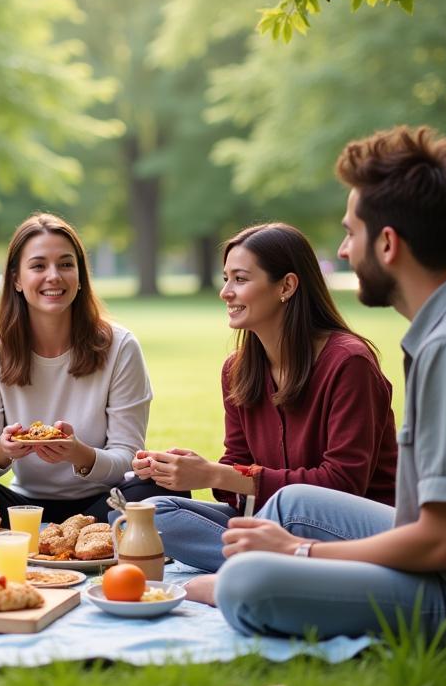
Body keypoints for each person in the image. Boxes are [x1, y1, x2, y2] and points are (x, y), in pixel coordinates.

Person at [198, 126, 446, 644]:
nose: (343, 249)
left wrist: (298, 553)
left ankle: (245, 578)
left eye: (351, 233)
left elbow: (443, 544)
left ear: (388, 243)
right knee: (293, 504)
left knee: (246, 581)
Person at [137, 223, 398, 572]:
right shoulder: (238, 370)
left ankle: (277, 568)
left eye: (240, 279)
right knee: (153, 515)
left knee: (295, 501)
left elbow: (343, 484)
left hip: (350, 531)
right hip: (273, 521)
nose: (225, 292)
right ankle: (277, 566)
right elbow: (238, 471)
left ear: (286, 286)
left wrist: (218, 476)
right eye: (226, 278)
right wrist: (194, 470)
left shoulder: (348, 363)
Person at [0, 212, 173, 524]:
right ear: (17, 279)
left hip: (103, 499)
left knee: (162, 485)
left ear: (79, 275)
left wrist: (79, 454)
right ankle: (65, 533)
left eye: (65, 264)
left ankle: (75, 531)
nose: (54, 276)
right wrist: (3, 449)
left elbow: (128, 457)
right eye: (38, 266)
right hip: (23, 505)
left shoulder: (120, 346)